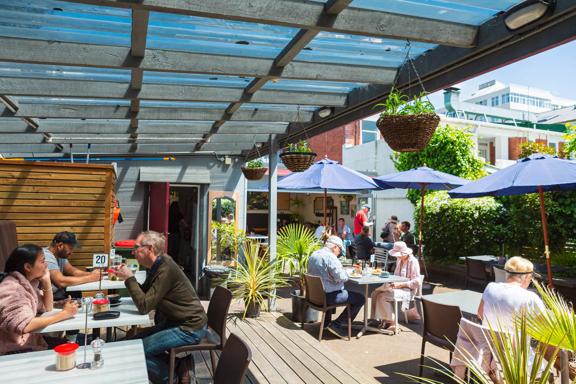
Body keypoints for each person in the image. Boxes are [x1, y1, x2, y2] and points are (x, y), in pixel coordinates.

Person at [113, 231, 207, 384]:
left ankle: (171, 379)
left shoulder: (165, 268)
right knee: (132, 343)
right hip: (175, 322)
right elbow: (145, 295)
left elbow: (144, 306)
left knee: (136, 352)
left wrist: (130, 278)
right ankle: (178, 365)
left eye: (136, 247)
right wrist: (129, 278)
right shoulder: (158, 265)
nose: (132, 251)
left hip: (190, 327)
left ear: (149, 249)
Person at [0, 245, 78, 355]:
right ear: (28, 267)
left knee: (69, 345)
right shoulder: (12, 289)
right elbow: (25, 325)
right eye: (42, 261)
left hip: (29, 341)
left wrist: (46, 280)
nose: (46, 265)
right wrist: (64, 314)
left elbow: (47, 307)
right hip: (11, 349)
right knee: (69, 351)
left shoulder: (28, 283)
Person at [307, 236, 365, 339]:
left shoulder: (314, 254)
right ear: (334, 247)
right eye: (340, 250)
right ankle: (337, 325)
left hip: (314, 296)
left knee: (330, 286)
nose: (339, 253)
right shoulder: (330, 257)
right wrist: (348, 272)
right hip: (328, 297)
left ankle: (326, 323)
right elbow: (342, 277)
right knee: (360, 298)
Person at [477, 256, 544, 330]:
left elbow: (480, 314)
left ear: (506, 274)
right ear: (527, 277)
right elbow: (546, 329)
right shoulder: (531, 298)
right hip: (515, 342)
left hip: (487, 340)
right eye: (531, 278)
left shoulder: (490, 287)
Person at [370, 241, 421, 333]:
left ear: (404, 253)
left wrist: (400, 285)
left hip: (408, 290)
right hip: (398, 287)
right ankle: (382, 318)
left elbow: (416, 282)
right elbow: (396, 276)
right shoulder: (399, 260)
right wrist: (392, 282)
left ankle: (392, 322)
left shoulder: (413, 262)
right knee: (375, 293)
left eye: (398, 254)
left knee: (382, 296)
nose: (397, 256)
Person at [45, 231, 101, 300]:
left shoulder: (60, 256)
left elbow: (73, 271)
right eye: (70, 248)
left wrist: (91, 274)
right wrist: (91, 278)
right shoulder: (47, 257)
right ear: (60, 246)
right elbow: (60, 282)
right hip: (46, 298)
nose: (71, 252)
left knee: (76, 293)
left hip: (56, 294)